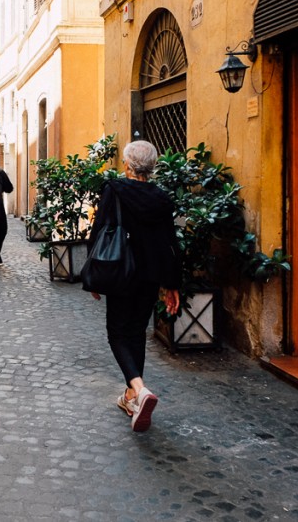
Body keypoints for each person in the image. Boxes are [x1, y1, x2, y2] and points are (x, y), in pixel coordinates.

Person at [86, 140, 180, 432]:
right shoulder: (162, 198)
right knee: (137, 331)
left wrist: (94, 272)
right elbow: (169, 243)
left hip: (119, 271)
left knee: (117, 332)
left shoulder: (115, 189)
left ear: (127, 165)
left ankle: (139, 389)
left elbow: (101, 229)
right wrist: (172, 284)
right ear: (153, 167)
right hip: (150, 274)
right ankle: (131, 398)